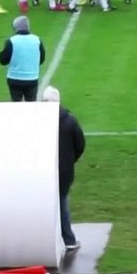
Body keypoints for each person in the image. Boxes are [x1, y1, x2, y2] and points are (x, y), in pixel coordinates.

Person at [42, 86, 86, 251]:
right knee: (61, 202)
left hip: (43, 170)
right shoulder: (69, 120)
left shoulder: (40, 122)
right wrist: (70, 160)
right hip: (64, 170)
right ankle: (68, 239)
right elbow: (80, 144)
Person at [0, 16, 45, 101]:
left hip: (14, 78)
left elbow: (3, 60)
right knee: (31, 104)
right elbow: (41, 59)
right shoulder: (37, 40)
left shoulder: (11, 41)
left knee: (16, 104)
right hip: (32, 78)